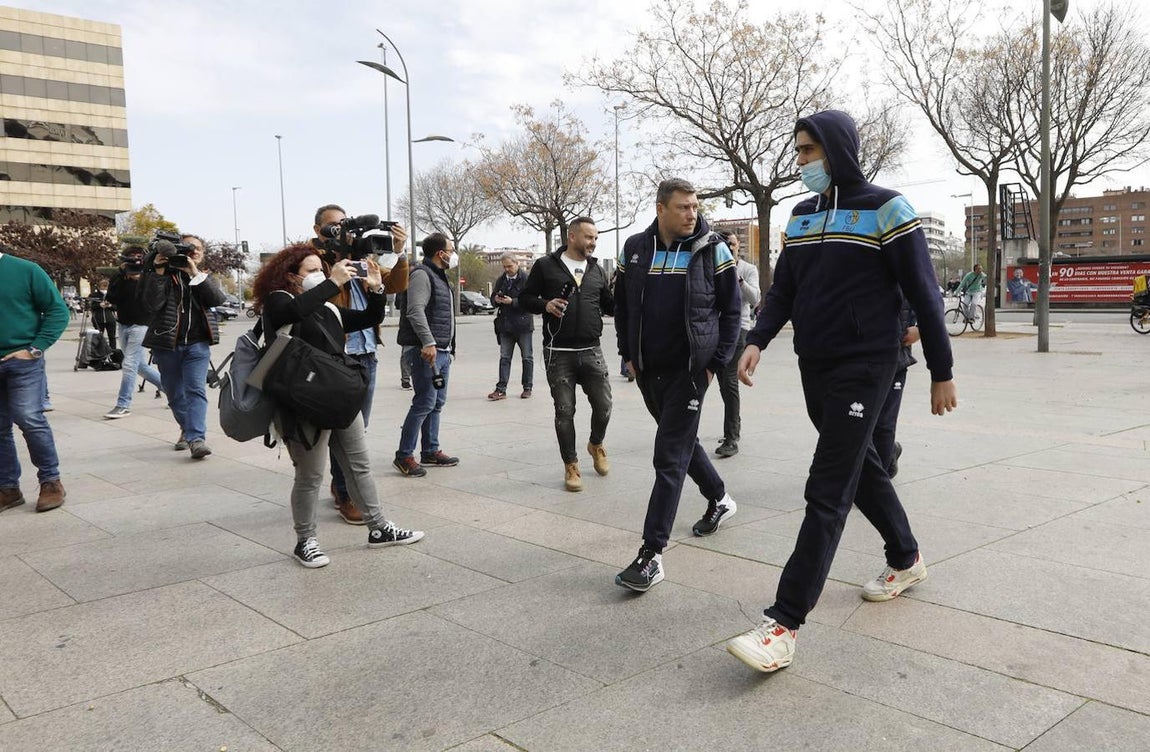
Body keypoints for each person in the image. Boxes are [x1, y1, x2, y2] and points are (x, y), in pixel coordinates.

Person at [727, 110, 958, 673]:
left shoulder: (888, 207)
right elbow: (784, 290)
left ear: (837, 150)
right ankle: (905, 557)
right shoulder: (801, 216)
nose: (800, 163)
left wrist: (941, 369)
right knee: (864, 466)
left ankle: (783, 624)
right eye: (799, 152)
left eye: (808, 151)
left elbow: (924, 294)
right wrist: (757, 338)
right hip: (816, 363)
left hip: (869, 363)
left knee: (827, 487)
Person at [252, 244, 424, 567]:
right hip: (301, 403)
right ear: (291, 275)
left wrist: (376, 288)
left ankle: (379, 528)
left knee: (360, 465)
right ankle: (306, 541)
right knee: (310, 475)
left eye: (322, 268)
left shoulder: (327, 308)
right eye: (311, 270)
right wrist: (332, 282)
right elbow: (292, 314)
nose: (319, 274)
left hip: (338, 398)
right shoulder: (279, 301)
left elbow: (369, 317)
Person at [613, 178, 742, 591]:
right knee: (683, 443)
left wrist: (714, 366)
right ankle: (720, 498)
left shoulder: (712, 248)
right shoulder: (634, 249)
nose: (692, 214)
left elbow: (731, 311)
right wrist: (628, 355)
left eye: (695, 206)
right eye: (684, 207)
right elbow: (623, 308)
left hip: (691, 372)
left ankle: (651, 554)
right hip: (650, 369)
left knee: (668, 457)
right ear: (660, 208)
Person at [310, 204, 409, 524]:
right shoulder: (315, 259)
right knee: (345, 429)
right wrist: (336, 260)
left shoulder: (361, 252)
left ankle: (342, 488)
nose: (344, 231)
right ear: (319, 230)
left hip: (366, 352)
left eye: (346, 225)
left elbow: (394, 285)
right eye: (335, 226)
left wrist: (397, 251)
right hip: (337, 354)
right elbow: (314, 297)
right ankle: (345, 492)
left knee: (356, 429)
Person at [520, 217, 614, 491]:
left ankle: (595, 443)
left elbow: (609, 305)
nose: (592, 243)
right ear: (572, 236)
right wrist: (545, 305)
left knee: (605, 406)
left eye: (595, 238)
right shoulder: (545, 265)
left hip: (591, 349)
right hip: (558, 353)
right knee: (565, 411)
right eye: (588, 237)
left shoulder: (597, 270)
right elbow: (526, 299)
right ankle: (571, 465)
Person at [140, 233, 226, 459]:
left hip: (197, 345)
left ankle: (196, 439)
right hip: (166, 345)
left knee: (195, 390)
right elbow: (151, 304)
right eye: (188, 248)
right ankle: (188, 429)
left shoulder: (203, 277)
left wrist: (194, 274)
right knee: (175, 394)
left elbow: (217, 300)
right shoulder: (162, 275)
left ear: (202, 254)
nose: (193, 251)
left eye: (197, 248)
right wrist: (158, 271)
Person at [0, 244, 70, 513]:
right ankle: (8, 489)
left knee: (29, 417)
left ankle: (51, 482)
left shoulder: (25, 270)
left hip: (22, 361)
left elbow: (57, 310)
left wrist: (35, 348)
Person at [393, 233, 460, 478]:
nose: (453, 254)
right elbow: (414, 310)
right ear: (440, 253)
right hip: (426, 350)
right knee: (424, 402)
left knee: (436, 403)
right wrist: (428, 341)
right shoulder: (422, 274)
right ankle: (404, 455)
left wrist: (448, 348)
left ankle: (430, 450)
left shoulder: (440, 276)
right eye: (450, 249)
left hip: (441, 350)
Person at [103, 244, 164, 419]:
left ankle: (123, 404)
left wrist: (143, 276)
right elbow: (111, 298)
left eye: (139, 259)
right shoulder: (119, 276)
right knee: (141, 367)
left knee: (129, 364)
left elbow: (156, 298)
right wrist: (122, 275)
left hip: (143, 324)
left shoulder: (150, 274)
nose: (135, 264)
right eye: (132, 259)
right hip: (123, 324)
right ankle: (171, 389)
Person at [714, 231, 761, 458]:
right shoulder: (711, 266)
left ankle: (731, 437)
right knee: (723, 382)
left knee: (729, 381)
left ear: (737, 246)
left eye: (731, 244)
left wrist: (737, 277)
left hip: (738, 328)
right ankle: (734, 422)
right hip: (714, 330)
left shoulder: (747, 269)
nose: (728, 248)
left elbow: (755, 299)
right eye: (724, 245)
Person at [488, 253, 535, 401]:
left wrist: (513, 302)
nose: (507, 269)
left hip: (523, 325)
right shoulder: (501, 280)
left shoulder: (527, 279)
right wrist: (495, 299)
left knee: (527, 357)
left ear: (517, 264)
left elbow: (532, 301)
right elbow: (493, 298)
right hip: (506, 325)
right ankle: (501, 389)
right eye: (505, 267)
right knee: (504, 358)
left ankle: (527, 387)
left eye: (509, 266)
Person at [87, 280, 118, 351]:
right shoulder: (93, 295)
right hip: (98, 319)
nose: (104, 289)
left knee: (112, 337)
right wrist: (99, 305)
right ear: (99, 287)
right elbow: (90, 306)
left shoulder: (111, 295)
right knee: (99, 337)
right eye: (103, 287)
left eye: (106, 287)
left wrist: (110, 306)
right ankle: (99, 352)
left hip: (110, 319)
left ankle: (113, 352)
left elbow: (116, 307)